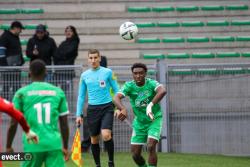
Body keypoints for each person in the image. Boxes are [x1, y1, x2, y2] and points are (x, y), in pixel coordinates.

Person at [6, 59, 69, 167]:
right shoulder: (58, 92)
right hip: (53, 144)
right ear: (46, 73)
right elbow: (64, 123)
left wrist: (8, 146)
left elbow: (13, 123)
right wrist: (65, 147)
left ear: (29, 73)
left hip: (33, 145)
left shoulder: (21, 93)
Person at [113, 63, 166, 167]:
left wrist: (150, 105)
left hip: (154, 119)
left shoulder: (151, 83)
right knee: (135, 155)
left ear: (145, 73)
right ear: (132, 74)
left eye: (141, 73)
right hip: (139, 123)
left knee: (150, 146)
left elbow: (162, 91)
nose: (138, 76)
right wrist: (122, 108)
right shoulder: (129, 86)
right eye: (135, 73)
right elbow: (116, 98)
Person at [76, 49, 119, 167]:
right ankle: (98, 165)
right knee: (94, 140)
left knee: (106, 135)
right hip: (92, 110)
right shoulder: (84, 75)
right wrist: (78, 114)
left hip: (107, 107)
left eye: (95, 57)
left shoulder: (108, 72)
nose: (93, 60)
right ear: (88, 59)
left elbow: (117, 90)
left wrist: (118, 107)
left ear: (99, 58)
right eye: (91, 58)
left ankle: (111, 162)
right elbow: (81, 96)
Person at [0, 21, 25, 101]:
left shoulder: (15, 37)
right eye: (20, 29)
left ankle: (16, 104)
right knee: (7, 86)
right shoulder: (5, 36)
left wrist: (21, 60)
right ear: (15, 28)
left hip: (16, 67)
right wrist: (5, 66)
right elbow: (1, 52)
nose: (21, 31)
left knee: (16, 86)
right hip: (8, 68)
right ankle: (5, 105)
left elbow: (17, 50)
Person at [54, 25, 80, 93]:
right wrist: (62, 55)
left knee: (67, 92)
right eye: (67, 31)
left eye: (70, 31)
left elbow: (68, 53)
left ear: (74, 32)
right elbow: (56, 54)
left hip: (67, 71)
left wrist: (61, 55)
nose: (68, 32)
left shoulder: (75, 42)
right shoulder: (63, 43)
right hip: (59, 70)